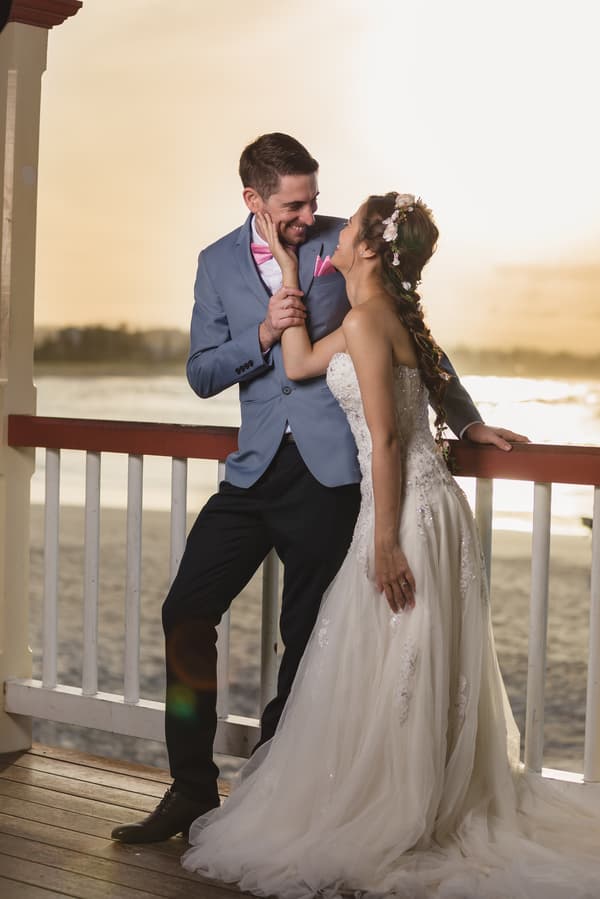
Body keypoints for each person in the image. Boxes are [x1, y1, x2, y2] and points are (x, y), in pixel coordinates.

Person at [181, 193, 600, 898]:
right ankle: (416, 794)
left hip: (406, 510)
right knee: (397, 658)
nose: (335, 231)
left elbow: (384, 439)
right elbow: (305, 360)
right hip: (427, 506)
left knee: (400, 653)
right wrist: (287, 272)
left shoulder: (370, 321)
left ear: (369, 249)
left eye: (346, 228)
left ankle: (404, 809)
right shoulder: (376, 319)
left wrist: (384, 540)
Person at [111, 135, 526, 846]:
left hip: (334, 478)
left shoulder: (350, 244)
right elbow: (202, 372)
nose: (309, 214)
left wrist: (469, 419)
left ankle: (272, 787)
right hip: (251, 475)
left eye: (314, 198)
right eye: (293, 204)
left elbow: (418, 336)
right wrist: (263, 336)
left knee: (308, 641)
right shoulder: (215, 265)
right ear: (254, 201)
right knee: (185, 609)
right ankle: (188, 786)